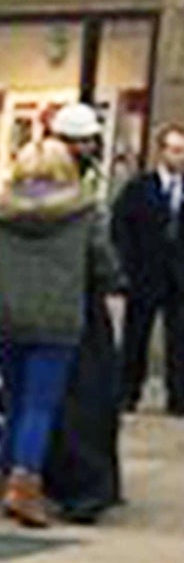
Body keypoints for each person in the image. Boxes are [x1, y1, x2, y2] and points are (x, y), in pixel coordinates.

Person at [0, 139, 116, 529]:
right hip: (57, 317)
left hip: (5, 317)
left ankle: (5, 474)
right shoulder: (84, 211)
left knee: (15, 401)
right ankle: (25, 484)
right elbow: (102, 263)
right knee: (41, 406)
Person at [44, 102, 129, 522]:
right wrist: (114, 276)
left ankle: (50, 476)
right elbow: (100, 257)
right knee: (88, 395)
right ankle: (89, 484)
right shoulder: (80, 200)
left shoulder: (27, 187)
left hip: (42, 302)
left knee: (51, 397)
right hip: (79, 303)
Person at [111, 122, 184, 417]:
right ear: (161, 151)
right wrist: (127, 266)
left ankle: (178, 396)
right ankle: (128, 391)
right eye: (174, 150)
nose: (179, 157)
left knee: (179, 340)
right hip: (145, 273)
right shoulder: (140, 188)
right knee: (136, 336)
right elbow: (121, 227)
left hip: (179, 277)